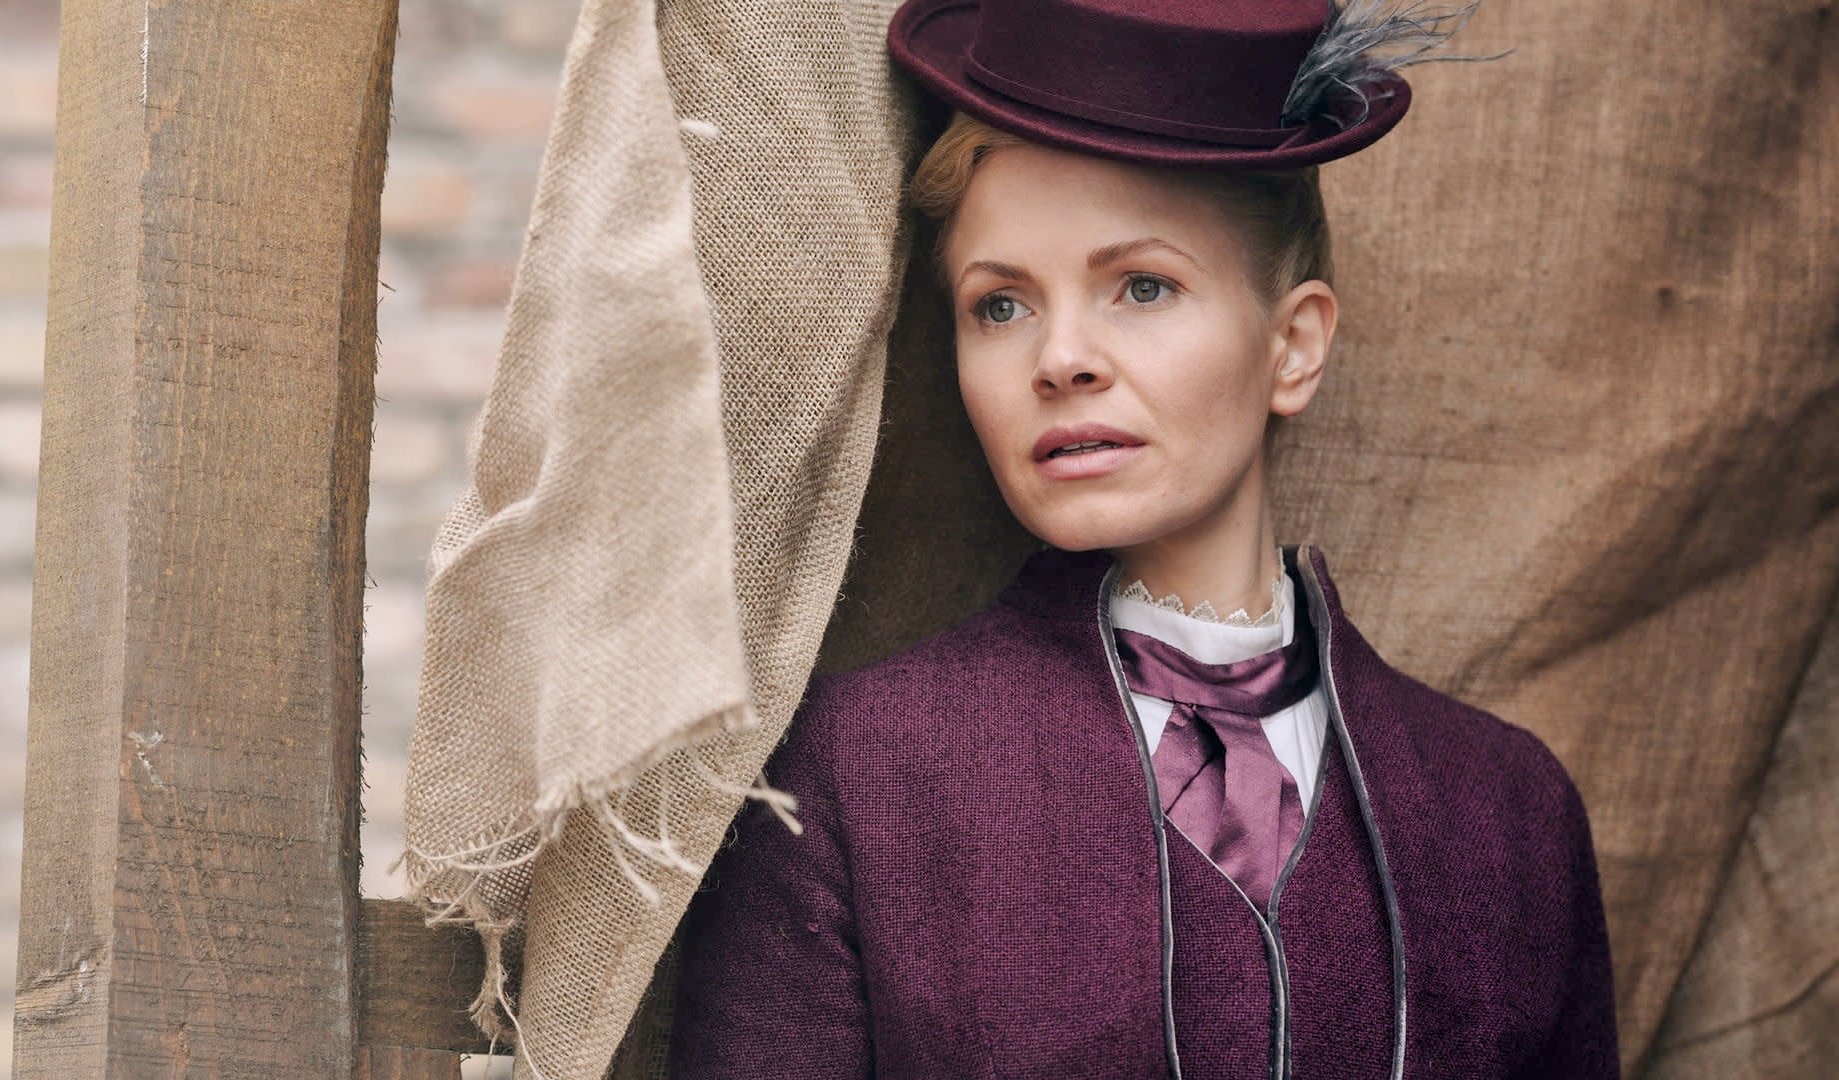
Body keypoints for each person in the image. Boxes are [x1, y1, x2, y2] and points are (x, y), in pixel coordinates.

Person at [670, 1, 1618, 1076]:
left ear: (1294, 345)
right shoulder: (855, 772)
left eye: (1144, 286)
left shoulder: (1508, 809)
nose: (1059, 359)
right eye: (1000, 305)